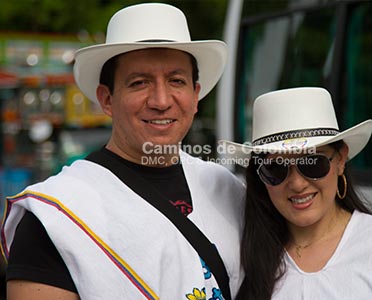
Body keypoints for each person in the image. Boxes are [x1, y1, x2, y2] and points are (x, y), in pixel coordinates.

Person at [1, 3, 244, 300]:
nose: (161, 100)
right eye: (139, 82)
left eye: (176, 81)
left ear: (196, 96)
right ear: (106, 99)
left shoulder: (227, 189)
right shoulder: (56, 217)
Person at [219, 87, 372, 299]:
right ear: (260, 177)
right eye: (276, 169)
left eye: (313, 164)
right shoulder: (242, 259)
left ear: (340, 160)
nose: (297, 184)